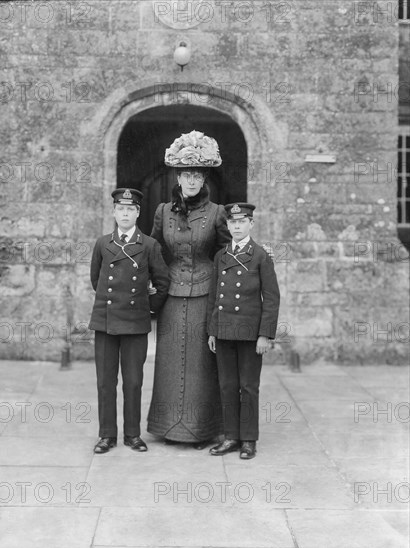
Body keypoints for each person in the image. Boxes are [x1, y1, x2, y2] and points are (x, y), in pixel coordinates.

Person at [147, 131, 231, 448]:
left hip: (204, 294)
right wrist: (150, 282)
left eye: (197, 174)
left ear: (204, 177)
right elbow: (154, 251)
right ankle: (166, 426)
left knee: (199, 365)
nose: (191, 180)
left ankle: (202, 429)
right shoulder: (163, 211)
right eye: (186, 174)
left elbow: (226, 254)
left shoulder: (217, 212)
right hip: (172, 297)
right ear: (178, 177)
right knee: (169, 363)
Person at [89, 188, 169, 454]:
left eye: (130, 209)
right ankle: (106, 435)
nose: (124, 213)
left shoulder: (149, 245)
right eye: (120, 209)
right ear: (114, 212)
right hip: (106, 320)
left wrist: (147, 309)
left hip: (135, 322)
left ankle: (132, 434)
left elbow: (162, 282)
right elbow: (95, 279)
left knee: (133, 381)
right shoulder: (103, 244)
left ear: (137, 213)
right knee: (105, 381)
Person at [207, 202, 280, 460]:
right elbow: (214, 296)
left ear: (251, 224)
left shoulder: (260, 256)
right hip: (225, 331)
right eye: (233, 222)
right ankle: (231, 437)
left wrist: (265, 335)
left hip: (250, 334)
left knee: (248, 386)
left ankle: (248, 439)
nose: (237, 226)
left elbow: (271, 298)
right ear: (227, 225)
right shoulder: (221, 256)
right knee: (227, 385)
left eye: (242, 222)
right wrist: (212, 331)